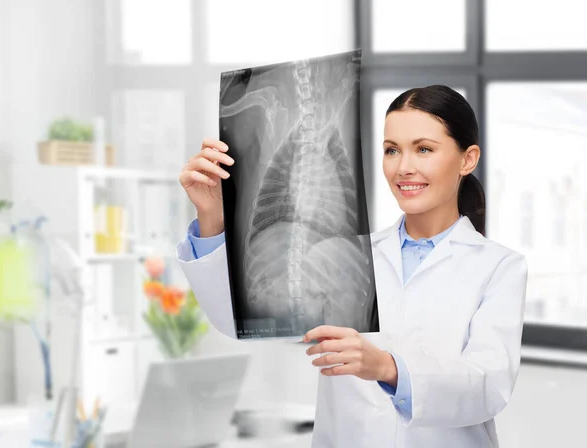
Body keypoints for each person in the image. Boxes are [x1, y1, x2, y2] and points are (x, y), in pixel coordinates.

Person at [176, 85, 528, 448]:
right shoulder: (344, 255)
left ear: (467, 160)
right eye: (392, 150)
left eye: (424, 149)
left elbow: (488, 385)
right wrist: (212, 219)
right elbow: (241, 321)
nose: (404, 167)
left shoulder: (500, 267)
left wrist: (387, 368)